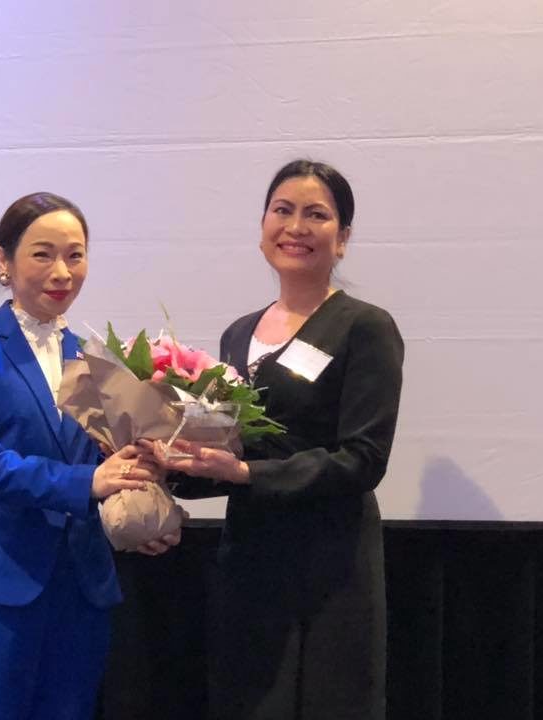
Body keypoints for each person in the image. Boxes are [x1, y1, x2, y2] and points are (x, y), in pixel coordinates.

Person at [151, 160, 404, 720]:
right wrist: (168, 463)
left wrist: (246, 474)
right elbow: (233, 453)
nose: (295, 226)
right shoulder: (239, 333)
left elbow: (363, 459)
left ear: (342, 238)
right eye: (282, 210)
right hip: (250, 559)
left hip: (330, 565)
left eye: (316, 215)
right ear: (263, 225)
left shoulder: (364, 326)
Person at [0, 192, 176, 720]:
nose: (62, 272)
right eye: (42, 254)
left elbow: (108, 462)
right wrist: (90, 484)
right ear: (3, 260)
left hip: (80, 588)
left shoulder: (98, 360)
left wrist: (143, 507)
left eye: (75, 255)